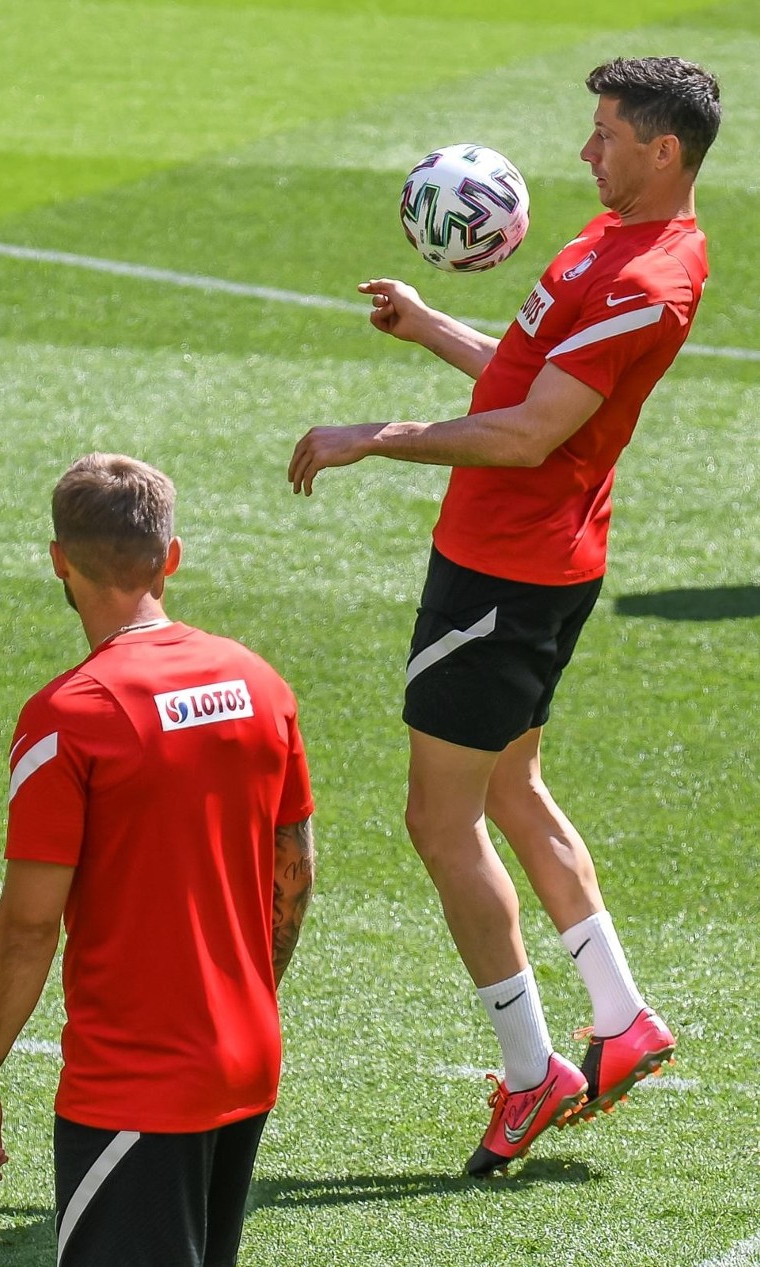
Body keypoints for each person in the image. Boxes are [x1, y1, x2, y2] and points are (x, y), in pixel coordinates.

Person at [288, 56, 720, 1175]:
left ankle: (532, 1075)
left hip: (505, 576)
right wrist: (435, 327)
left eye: (607, 134)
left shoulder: (647, 280)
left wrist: (371, 436)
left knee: (442, 821)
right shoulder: (608, 237)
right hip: (534, 560)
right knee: (514, 787)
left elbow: (528, 436)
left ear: (663, 150)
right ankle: (621, 1018)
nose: (586, 151)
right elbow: (527, 387)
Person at [0, 453, 315, 1264]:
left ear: (59, 560)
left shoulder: (65, 718)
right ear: (171, 556)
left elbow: (29, 926)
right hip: (247, 1061)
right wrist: (235, 1000)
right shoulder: (261, 686)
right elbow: (295, 871)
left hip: (136, 1086)